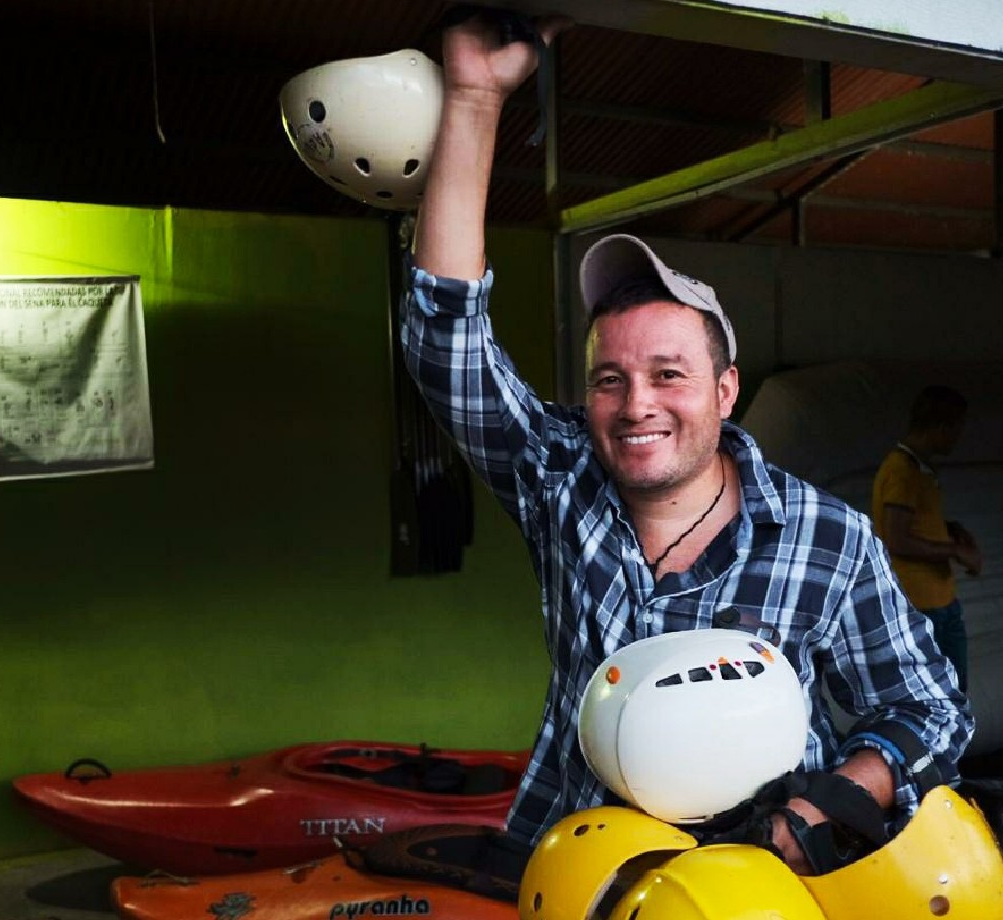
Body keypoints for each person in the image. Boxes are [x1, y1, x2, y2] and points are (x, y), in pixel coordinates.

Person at [399, 10, 972, 876]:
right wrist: (475, 96)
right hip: (574, 873)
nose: (637, 405)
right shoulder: (560, 478)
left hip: (759, 889)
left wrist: (835, 799)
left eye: (669, 374)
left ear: (725, 390)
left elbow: (927, 707)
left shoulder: (826, 538)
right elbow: (446, 343)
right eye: (609, 378)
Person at [873, 385, 982, 692]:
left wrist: (949, 528)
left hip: (941, 601)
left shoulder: (920, 470)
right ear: (940, 427)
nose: (958, 437)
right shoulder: (902, 471)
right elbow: (898, 539)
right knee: (938, 699)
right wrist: (956, 551)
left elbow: (916, 521)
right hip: (922, 606)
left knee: (956, 698)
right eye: (956, 428)